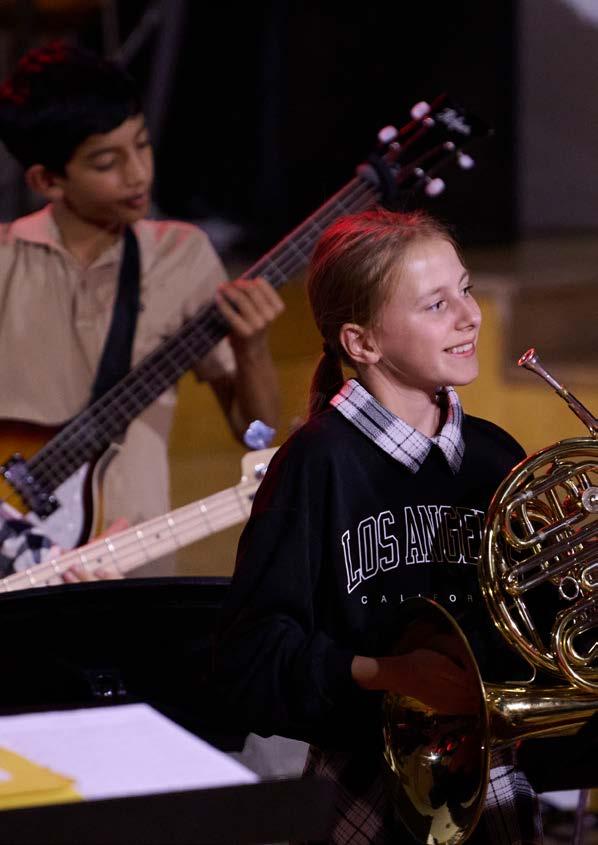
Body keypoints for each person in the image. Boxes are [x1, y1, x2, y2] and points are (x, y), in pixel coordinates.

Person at [213, 208, 543, 843]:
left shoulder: (496, 456)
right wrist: (388, 675)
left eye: (466, 289)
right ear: (362, 343)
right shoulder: (316, 463)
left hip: (495, 786)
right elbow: (249, 662)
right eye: (436, 304)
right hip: (364, 788)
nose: (470, 316)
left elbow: (533, 631)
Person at [0, 41, 283, 573]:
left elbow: (258, 435)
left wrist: (252, 349)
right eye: (107, 162)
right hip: (16, 569)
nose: (137, 174)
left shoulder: (183, 255)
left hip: (135, 567)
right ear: (46, 181)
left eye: (143, 146)